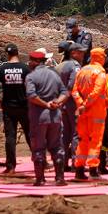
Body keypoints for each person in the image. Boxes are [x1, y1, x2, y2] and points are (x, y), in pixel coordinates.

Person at [25, 49, 71, 186]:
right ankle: (59, 178)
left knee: (38, 148)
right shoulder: (54, 75)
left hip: (39, 117)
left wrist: (45, 104)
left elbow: (32, 96)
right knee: (57, 146)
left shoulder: (31, 77)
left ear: (35, 61)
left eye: (30, 60)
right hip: (55, 116)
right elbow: (65, 93)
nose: (29, 63)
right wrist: (57, 102)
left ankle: (40, 179)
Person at [72, 47, 108, 180]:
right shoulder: (100, 72)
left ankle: (79, 169)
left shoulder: (82, 71)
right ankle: (93, 169)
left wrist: (80, 104)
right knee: (95, 140)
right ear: (100, 57)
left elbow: (74, 91)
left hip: (82, 112)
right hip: (95, 112)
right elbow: (97, 92)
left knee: (83, 140)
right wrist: (86, 104)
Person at [0, 44, 31, 174]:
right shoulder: (25, 68)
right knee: (30, 134)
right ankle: (40, 161)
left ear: (7, 54)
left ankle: (10, 166)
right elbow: (30, 85)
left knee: (10, 137)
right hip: (24, 106)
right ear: (18, 53)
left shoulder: (2, 68)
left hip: (8, 107)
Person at [56, 42, 84, 170]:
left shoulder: (60, 66)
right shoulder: (75, 66)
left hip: (61, 103)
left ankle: (61, 161)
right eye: (81, 52)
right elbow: (73, 85)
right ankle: (76, 163)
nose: (83, 54)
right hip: (72, 103)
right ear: (73, 53)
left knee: (64, 134)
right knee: (75, 133)